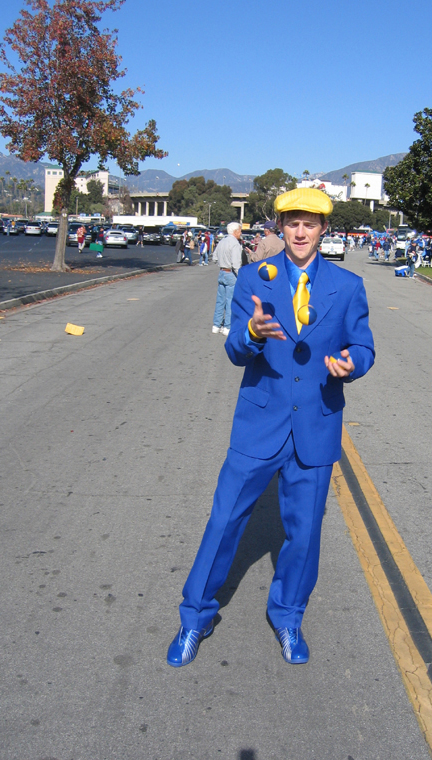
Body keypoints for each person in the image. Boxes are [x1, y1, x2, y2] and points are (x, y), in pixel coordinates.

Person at [167, 188, 375, 668]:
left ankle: (288, 616)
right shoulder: (253, 279)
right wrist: (252, 334)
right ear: (280, 227)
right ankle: (194, 617)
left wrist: (352, 362)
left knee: (303, 536)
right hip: (259, 424)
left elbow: (363, 346)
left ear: (324, 229)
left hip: (317, 427)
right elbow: (236, 351)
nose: (301, 232)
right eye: (292, 223)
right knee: (223, 523)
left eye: (310, 223)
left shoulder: (347, 286)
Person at [211, 222, 242, 336]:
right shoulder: (235, 244)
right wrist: (241, 277)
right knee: (230, 301)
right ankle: (227, 327)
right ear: (235, 231)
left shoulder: (222, 241)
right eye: (240, 231)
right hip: (231, 273)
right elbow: (236, 264)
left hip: (222, 272)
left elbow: (214, 258)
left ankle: (216, 325)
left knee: (220, 301)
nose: (240, 233)